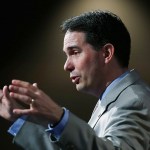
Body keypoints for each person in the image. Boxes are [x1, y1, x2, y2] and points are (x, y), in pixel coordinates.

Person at [0, 10, 150, 150]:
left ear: (106, 53)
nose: (66, 66)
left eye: (75, 52)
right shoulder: (117, 99)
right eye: (67, 55)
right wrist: (19, 120)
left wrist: (60, 117)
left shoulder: (135, 101)